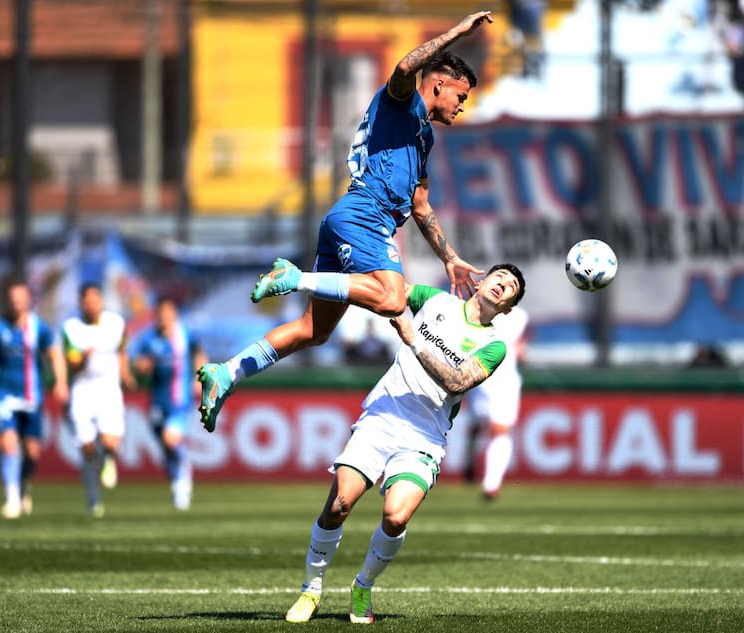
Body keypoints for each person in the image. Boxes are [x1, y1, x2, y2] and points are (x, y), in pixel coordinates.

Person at [196, 11, 495, 432]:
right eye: (460, 96)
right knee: (392, 300)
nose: (462, 105)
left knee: (314, 330)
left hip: (350, 220)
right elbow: (406, 66)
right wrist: (456, 34)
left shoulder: (423, 136)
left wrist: (450, 258)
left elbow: (422, 207)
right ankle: (294, 277)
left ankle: (226, 373)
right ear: (439, 84)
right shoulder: (401, 102)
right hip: (364, 215)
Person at [283, 263, 525, 624]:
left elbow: (457, 383)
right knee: (339, 505)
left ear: (508, 308)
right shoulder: (435, 300)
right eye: (499, 278)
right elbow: (384, 291)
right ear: (481, 281)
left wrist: (413, 338)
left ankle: (363, 585)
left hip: (424, 437)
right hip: (382, 417)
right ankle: (311, 589)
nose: (502, 285)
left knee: (396, 517)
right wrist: (318, 283)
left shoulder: (494, 346)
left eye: (511, 288)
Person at [0, 280, 68, 519]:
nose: (16, 303)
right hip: (5, 395)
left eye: (20, 298)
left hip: (32, 396)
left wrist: (61, 382)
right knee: (9, 444)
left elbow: (55, 354)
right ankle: (12, 499)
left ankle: (23, 483)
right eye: (12, 299)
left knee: (33, 453)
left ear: (28, 300)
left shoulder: (39, 327)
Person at [61, 283, 135, 517]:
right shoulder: (71, 328)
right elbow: (72, 364)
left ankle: (109, 459)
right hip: (83, 391)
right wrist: (83, 357)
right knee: (87, 448)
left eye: (96, 300)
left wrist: (126, 373)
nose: (92, 305)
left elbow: (121, 350)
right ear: (81, 303)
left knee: (110, 441)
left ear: (101, 301)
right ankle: (93, 498)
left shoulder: (116, 323)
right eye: (88, 301)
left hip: (108, 389)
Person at [132, 296, 206, 510]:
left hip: (180, 399)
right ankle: (176, 478)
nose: (163, 318)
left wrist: (199, 378)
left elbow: (199, 353)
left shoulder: (185, 334)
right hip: (157, 400)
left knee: (170, 440)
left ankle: (184, 472)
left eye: (168, 313)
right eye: (160, 314)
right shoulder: (148, 339)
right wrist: (142, 367)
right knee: (164, 447)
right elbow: (138, 364)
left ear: (174, 314)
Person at [463, 305, 529, 500]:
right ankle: (472, 466)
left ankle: (491, 483)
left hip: (503, 379)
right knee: (478, 426)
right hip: (481, 375)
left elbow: (521, 348)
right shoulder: (477, 308)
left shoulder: (520, 317)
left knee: (499, 429)